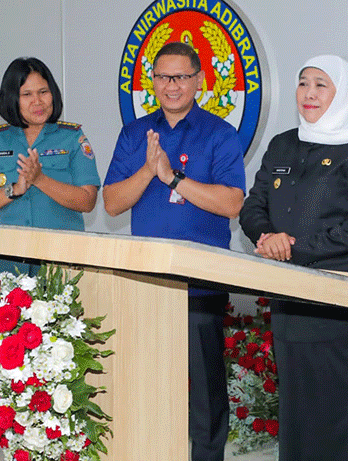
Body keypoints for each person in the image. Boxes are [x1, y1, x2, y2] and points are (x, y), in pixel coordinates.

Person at [239, 54, 348, 461]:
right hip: (289, 300)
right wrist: (266, 236)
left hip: (340, 304)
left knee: (337, 417)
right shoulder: (283, 144)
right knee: (297, 416)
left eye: (321, 85)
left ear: (344, 94)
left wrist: (293, 247)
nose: (309, 93)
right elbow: (253, 206)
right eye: (303, 82)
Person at [102, 41, 245, 461]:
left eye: (181, 76)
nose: (172, 85)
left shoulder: (220, 133)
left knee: (205, 395)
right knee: (146, 389)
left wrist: (173, 177)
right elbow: (111, 203)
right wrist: (149, 170)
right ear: (153, 81)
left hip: (199, 286)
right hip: (145, 284)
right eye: (163, 77)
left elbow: (232, 203)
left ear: (199, 80)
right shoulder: (135, 134)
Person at [0, 57, 100, 279]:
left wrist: (40, 180)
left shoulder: (72, 138)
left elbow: (87, 201)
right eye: (27, 94)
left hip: (60, 271)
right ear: (12, 99)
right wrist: (14, 190)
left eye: (43, 92)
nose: (38, 101)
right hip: (7, 271)